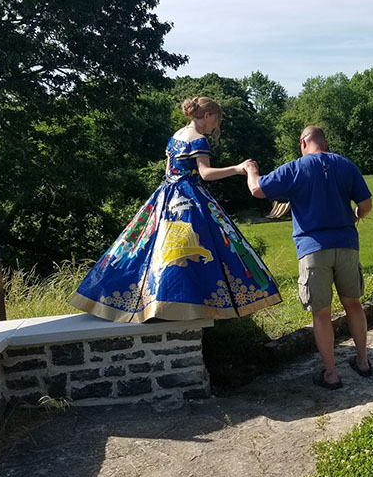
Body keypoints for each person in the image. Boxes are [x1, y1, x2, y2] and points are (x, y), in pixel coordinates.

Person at [71, 96, 281, 322]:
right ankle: (186, 303)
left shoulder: (176, 136)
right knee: (194, 249)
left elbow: (167, 171)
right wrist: (238, 168)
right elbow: (205, 174)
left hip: (164, 197)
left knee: (145, 246)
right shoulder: (199, 140)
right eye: (216, 120)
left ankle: (129, 299)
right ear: (207, 115)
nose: (215, 126)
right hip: (188, 198)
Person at [246, 125, 372, 390]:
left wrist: (250, 170)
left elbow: (257, 189)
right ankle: (362, 362)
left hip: (313, 249)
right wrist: (355, 217)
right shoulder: (345, 165)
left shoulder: (294, 168)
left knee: (321, 314)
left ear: (303, 143)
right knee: (353, 304)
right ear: (324, 143)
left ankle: (331, 374)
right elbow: (366, 205)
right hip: (347, 245)